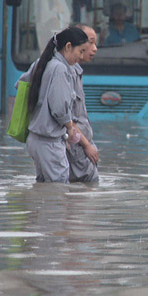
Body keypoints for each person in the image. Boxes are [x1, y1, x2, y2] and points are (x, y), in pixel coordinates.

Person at [23, 26, 90, 183]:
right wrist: (69, 127)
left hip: (34, 140)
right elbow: (59, 109)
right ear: (68, 47)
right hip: (49, 142)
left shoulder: (42, 63)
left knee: (43, 186)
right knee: (58, 190)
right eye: (80, 51)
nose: (81, 57)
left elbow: (20, 84)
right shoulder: (60, 69)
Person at [68, 24, 100, 183]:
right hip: (77, 147)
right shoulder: (66, 72)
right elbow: (68, 119)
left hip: (81, 145)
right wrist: (87, 145)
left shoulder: (76, 71)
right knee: (87, 184)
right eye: (90, 42)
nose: (95, 49)